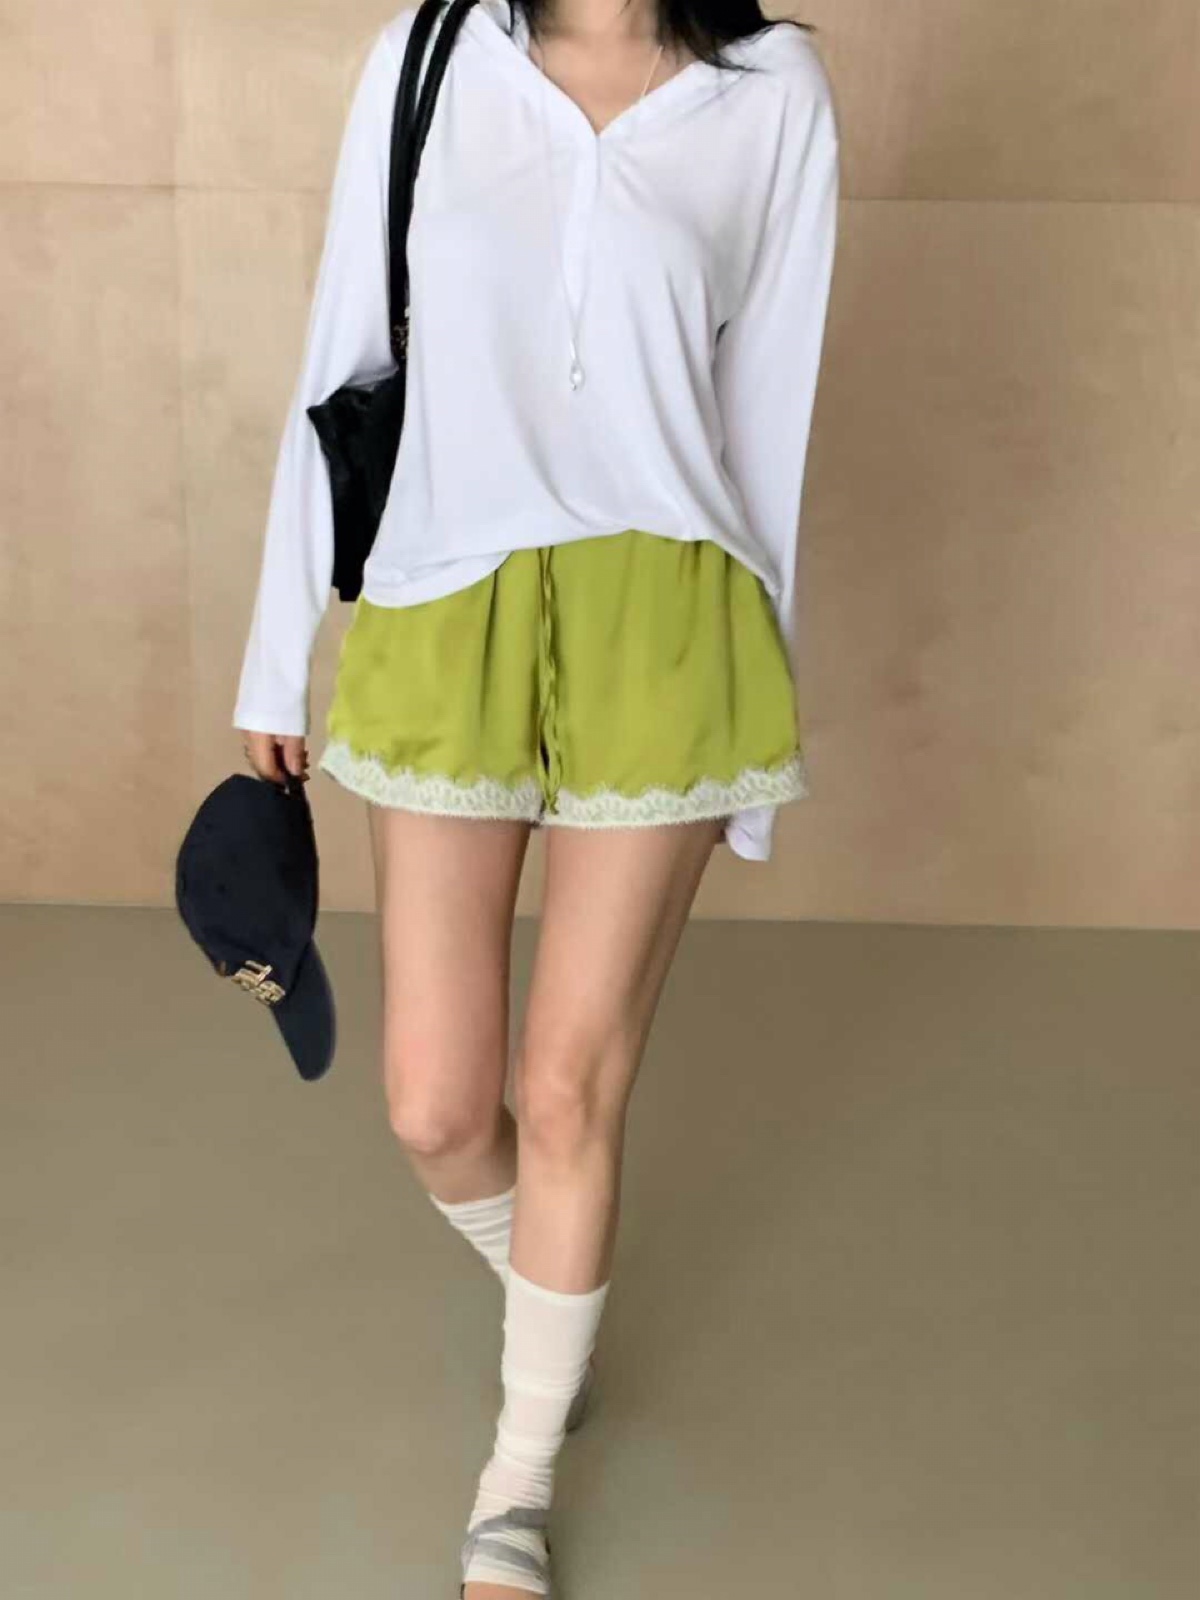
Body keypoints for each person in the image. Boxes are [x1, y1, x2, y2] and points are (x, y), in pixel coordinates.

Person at [232, 0, 839, 1591]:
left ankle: (517, 1477)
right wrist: (273, 662)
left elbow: (770, 416)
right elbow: (345, 356)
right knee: (437, 1105)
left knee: (571, 1091)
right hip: (446, 593)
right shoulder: (432, 58)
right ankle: (552, 1306)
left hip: (670, 616)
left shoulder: (771, 90)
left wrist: (753, 733)